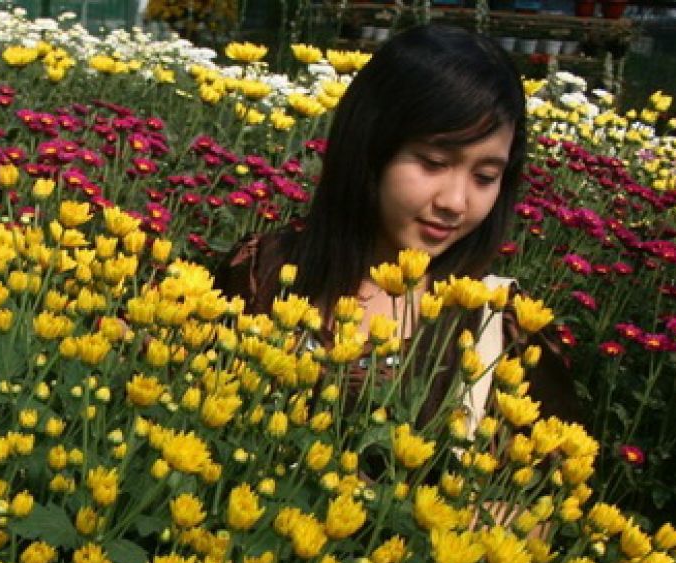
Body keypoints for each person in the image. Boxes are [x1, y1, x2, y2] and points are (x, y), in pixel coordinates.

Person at [216, 24, 579, 426]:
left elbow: (553, 476)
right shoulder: (260, 275)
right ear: (371, 147)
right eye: (433, 163)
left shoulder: (500, 328)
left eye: (485, 177)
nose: (455, 202)